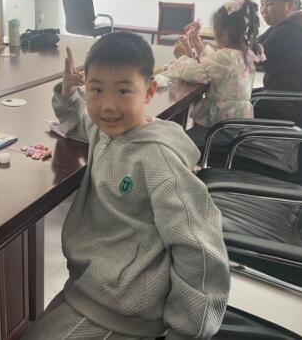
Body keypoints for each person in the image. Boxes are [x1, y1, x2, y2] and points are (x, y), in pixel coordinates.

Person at [22, 32, 230, 340]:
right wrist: (67, 93)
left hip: (122, 309)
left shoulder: (158, 159)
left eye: (122, 91)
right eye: (96, 90)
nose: (107, 106)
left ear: (149, 92)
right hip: (91, 288)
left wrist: (187, 330)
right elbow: (79, 123)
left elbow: (200, 244)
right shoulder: (108, 131)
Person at [165, 0, 264, 147]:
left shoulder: (228, 56)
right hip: (235, 129)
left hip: (218, 132)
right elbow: (213, 64)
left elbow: (200, 75)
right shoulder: (245, 53)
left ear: (225, 34)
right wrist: (195, 40)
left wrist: (182, 57)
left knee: (173, 143)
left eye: (215, 30)